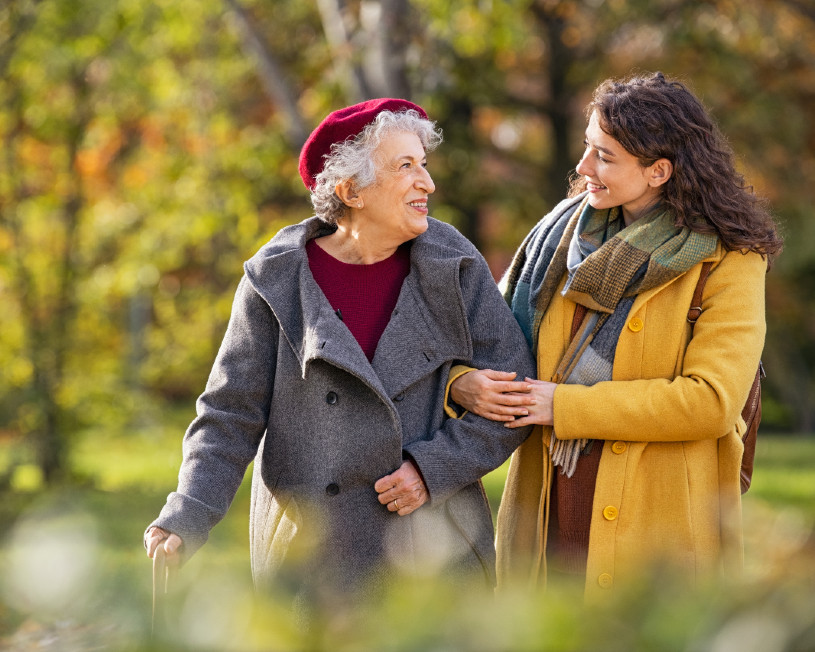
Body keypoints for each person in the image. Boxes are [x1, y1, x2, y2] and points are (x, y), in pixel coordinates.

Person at [144, 98, 535, 610]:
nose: (427, 183)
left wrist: (432, 468)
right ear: (350, 190)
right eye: (405, 166)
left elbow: (514, 395)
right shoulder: (276, 280)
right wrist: (188, 511)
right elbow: (229, 413)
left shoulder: (454, 265)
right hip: (313, 557)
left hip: (436, 552)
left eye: (424, 163)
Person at [449, 72, 783, 600]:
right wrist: (463, 383)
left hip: (659, 531)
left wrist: (566, 406)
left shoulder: (731, 260)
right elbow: (481, 342)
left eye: (604, 156)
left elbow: (711, 401)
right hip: (546, 513)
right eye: (587, 148)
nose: (583, 169)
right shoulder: (556, 242)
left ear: (658, 171)